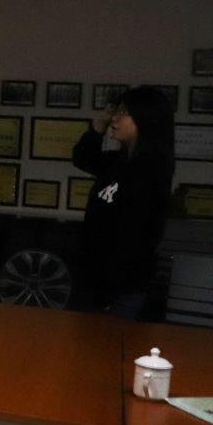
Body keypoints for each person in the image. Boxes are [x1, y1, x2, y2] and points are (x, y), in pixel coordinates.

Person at [72, 86, 174, 319]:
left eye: (124, 113)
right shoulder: (120, 162)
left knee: (111, 339)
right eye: (116, 112)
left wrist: (106, 290)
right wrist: (98, 127)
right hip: (99, 280)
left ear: (146, 120)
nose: (115, 119)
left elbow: (134, 236)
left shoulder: (150, 171)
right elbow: (82, 157)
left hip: (121, 287)